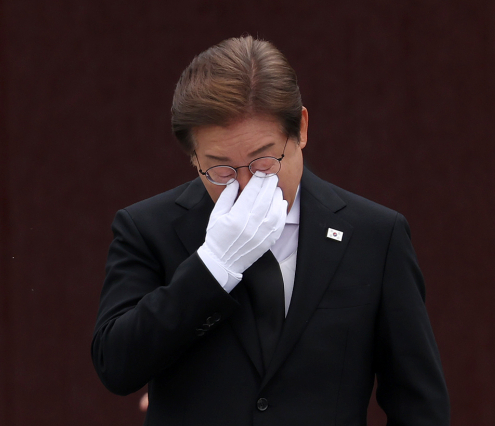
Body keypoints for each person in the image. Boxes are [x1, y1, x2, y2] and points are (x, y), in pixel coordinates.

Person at [91, 35, 450, 426]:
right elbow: (116, 365)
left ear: (301, 130)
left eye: (263, 161)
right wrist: (213, 267)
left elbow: (418, 403)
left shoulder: (375, 235)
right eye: (220, 168)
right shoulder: (148, 228)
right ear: (193, 156)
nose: (246, 185)